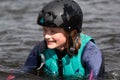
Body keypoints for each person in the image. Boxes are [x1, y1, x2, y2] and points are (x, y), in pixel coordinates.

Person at [22, 0, 104, 79]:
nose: (46, 36)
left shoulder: (90, 52)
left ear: (72, 33)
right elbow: (25, 73)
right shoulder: (40, 49)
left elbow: (95, 78)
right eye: (45, 30)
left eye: (53, 31)